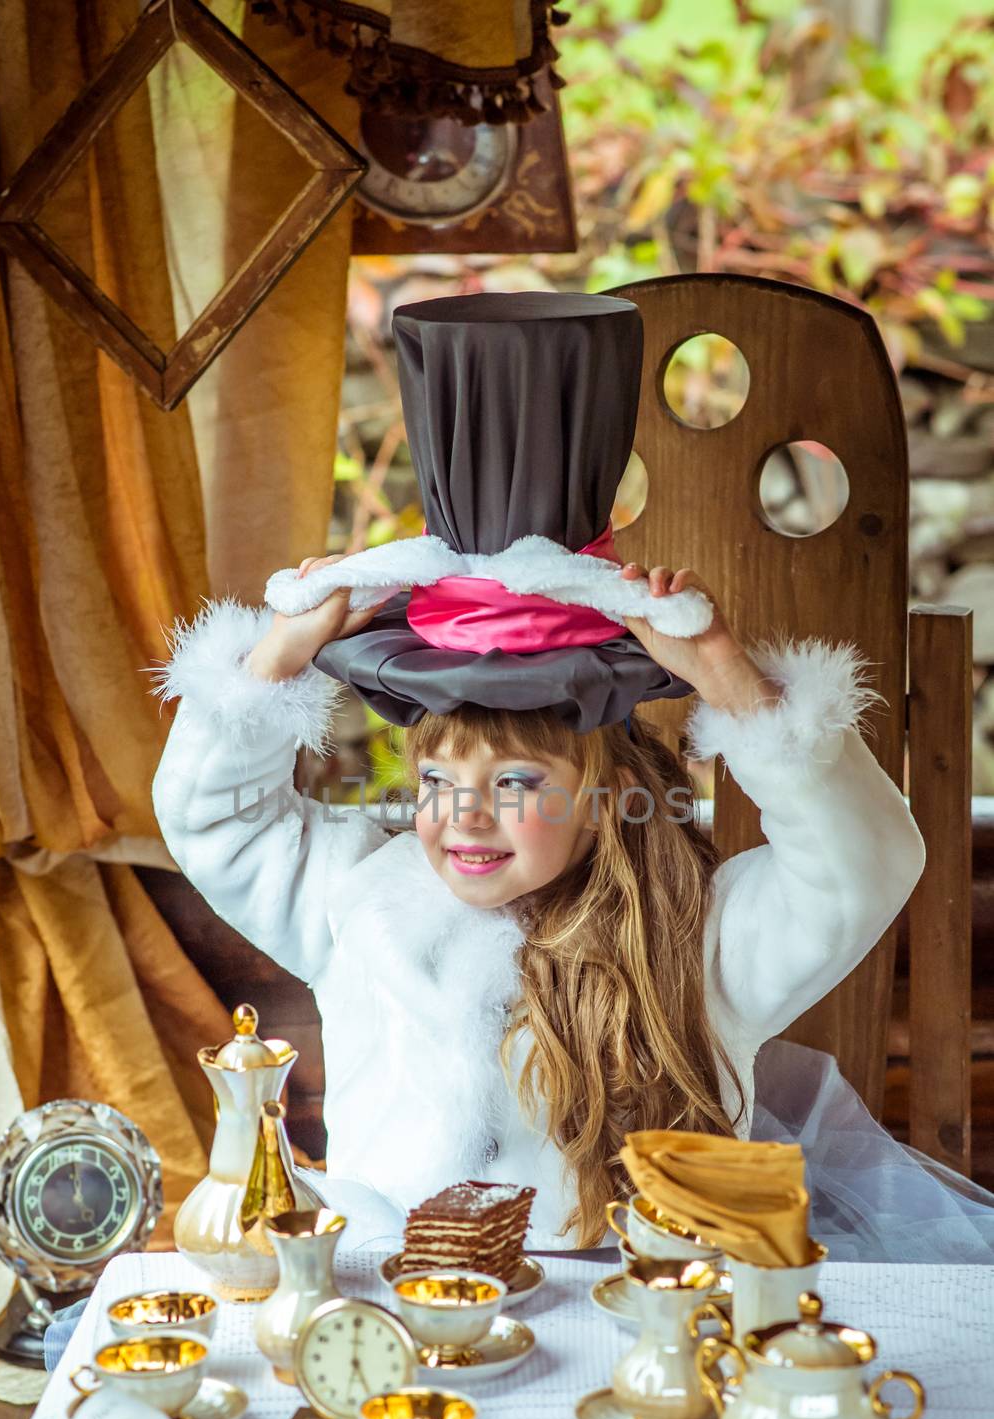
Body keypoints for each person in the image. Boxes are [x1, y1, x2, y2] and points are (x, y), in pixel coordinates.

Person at [151, 291, 992, 1260]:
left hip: (644, 1328)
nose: (462, 816)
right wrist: (279, 655)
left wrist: (731, 680)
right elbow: (210, 814)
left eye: (513, 783)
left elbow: (867, 865)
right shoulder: (358, 902)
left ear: (605, 797)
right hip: (410, 1324)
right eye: (435, 783)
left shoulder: (699, 939)